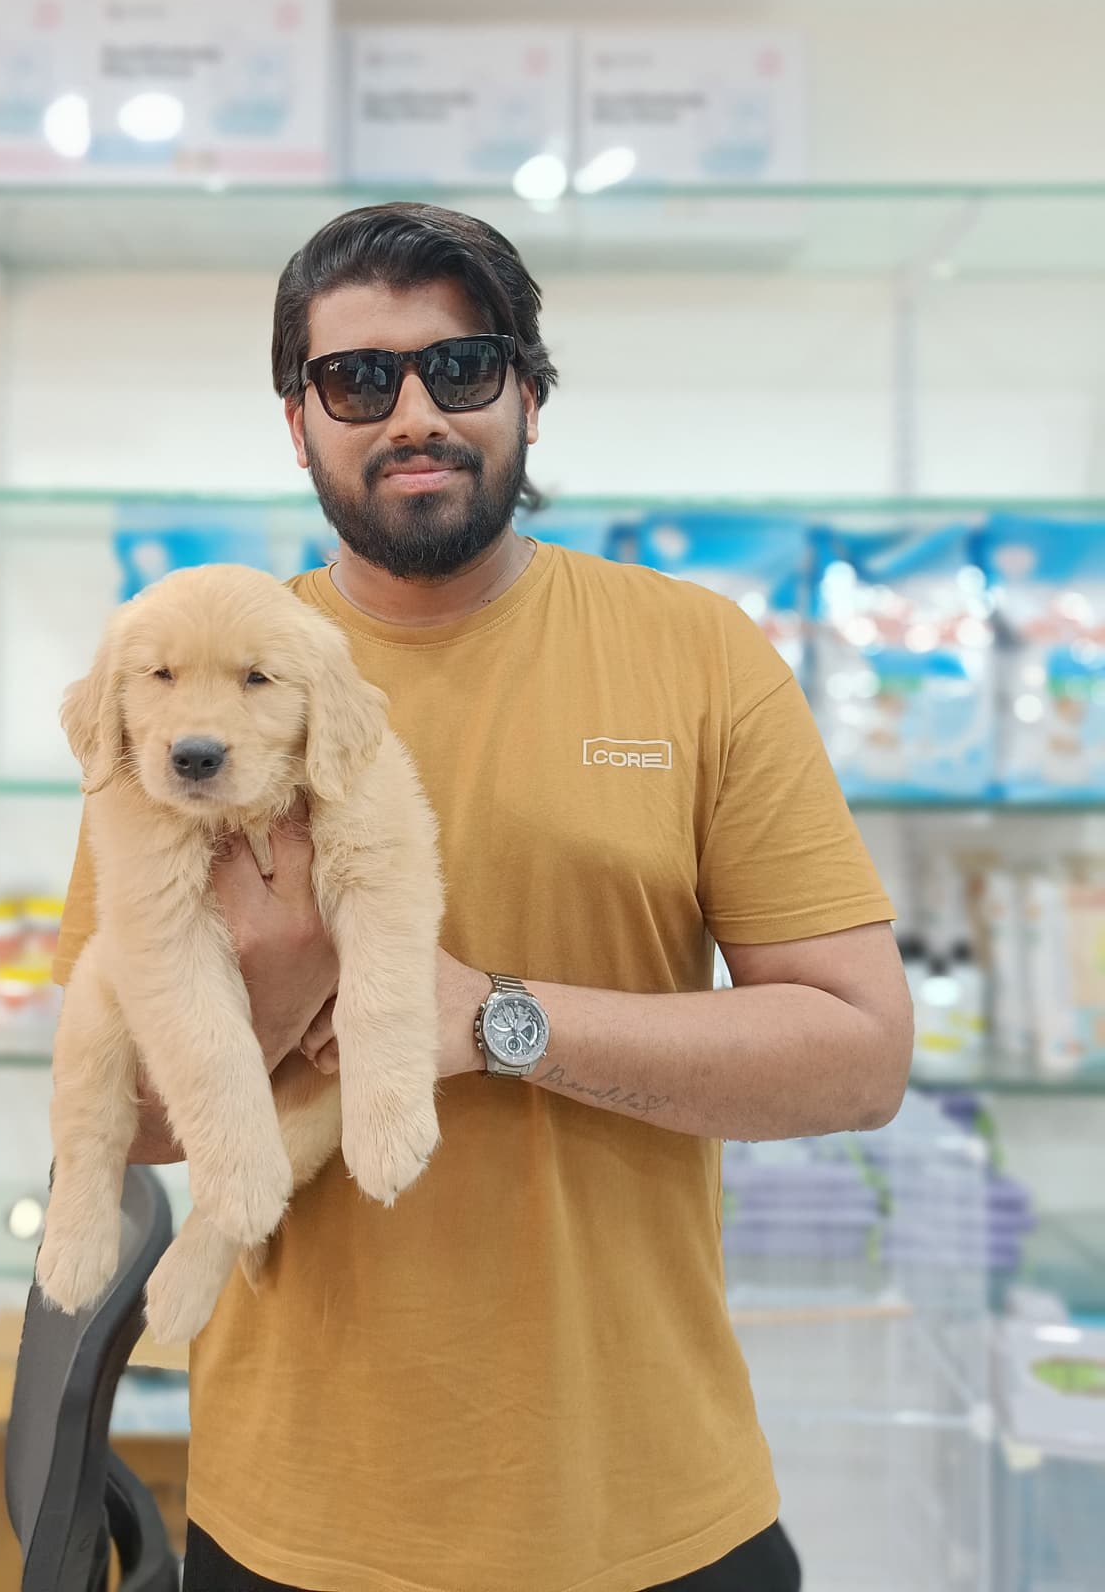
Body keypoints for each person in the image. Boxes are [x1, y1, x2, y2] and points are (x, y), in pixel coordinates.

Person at [53, 202, 911, 1592]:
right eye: (356, 378)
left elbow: (859, 1062)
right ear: (297, 421)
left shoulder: (694, 654)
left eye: (462, 369)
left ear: (527, 394)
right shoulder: (185, 678)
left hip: (651, 1508)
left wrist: (490, 1021)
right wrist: (277, 989)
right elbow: (130, 1118)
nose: (414, 413)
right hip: (296, 1525)